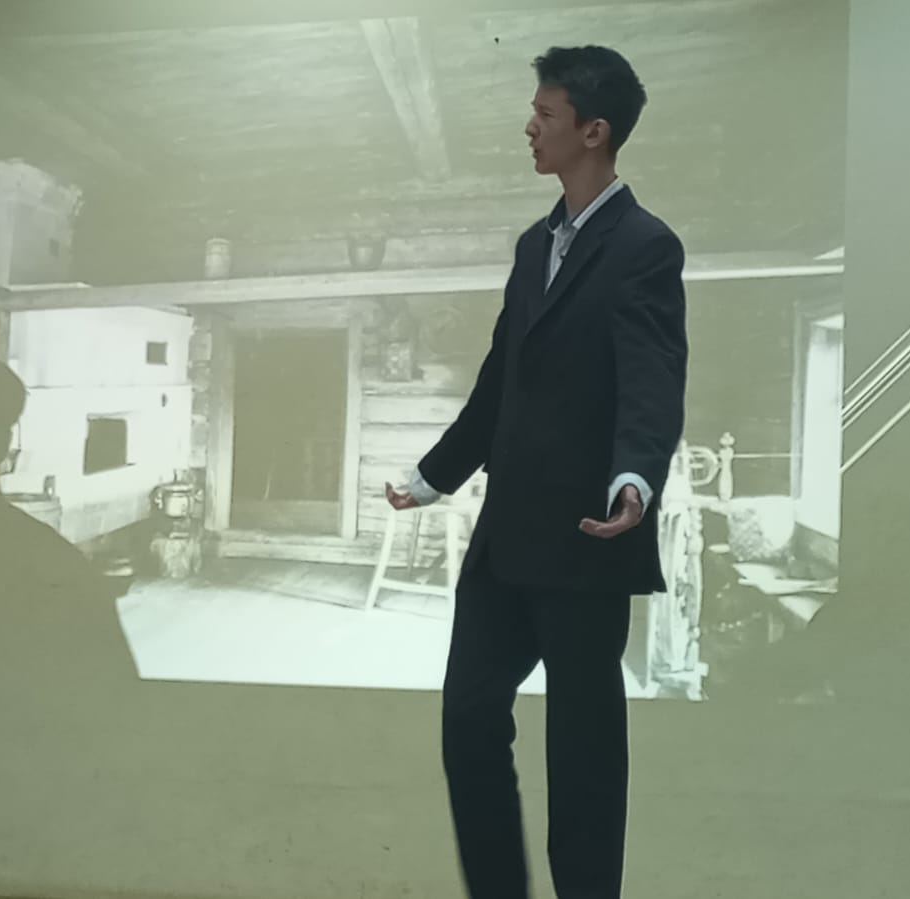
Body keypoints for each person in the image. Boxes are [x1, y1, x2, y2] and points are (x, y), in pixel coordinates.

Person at [384, 46, 687, 899]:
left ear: (593, 132)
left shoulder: (645, 245)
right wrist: (433, 475)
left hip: (588, 537)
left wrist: (635, 478)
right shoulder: (531, 246)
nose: (529, 126)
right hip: (505, 539)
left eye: (545, 114)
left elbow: (652, 378)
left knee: (582, 748)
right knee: (467, 717)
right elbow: (500, 383)